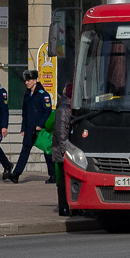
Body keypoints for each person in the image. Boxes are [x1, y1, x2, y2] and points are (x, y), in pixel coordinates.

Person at [8, 69, 53, 184]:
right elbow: (25, 113)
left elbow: (47, 111)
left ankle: (53, 175)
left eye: (28, 80)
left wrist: (41, 125)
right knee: (25, 151)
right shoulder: (27, 95)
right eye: (26, 81)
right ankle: (16, 174)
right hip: (29, 129)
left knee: (47, 152)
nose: (26, 83)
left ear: (34, 80)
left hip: (40, 130)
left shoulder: (43, 95)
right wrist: (23, 128)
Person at [51, 84, 72, 216]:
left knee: (66, 178)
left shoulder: (68, 107)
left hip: (67, 149)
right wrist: (65, 150)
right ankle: (63, 206)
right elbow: (60, 132)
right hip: (62, 150)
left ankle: (68, 205)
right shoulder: (64, 109)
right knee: (63, 179)